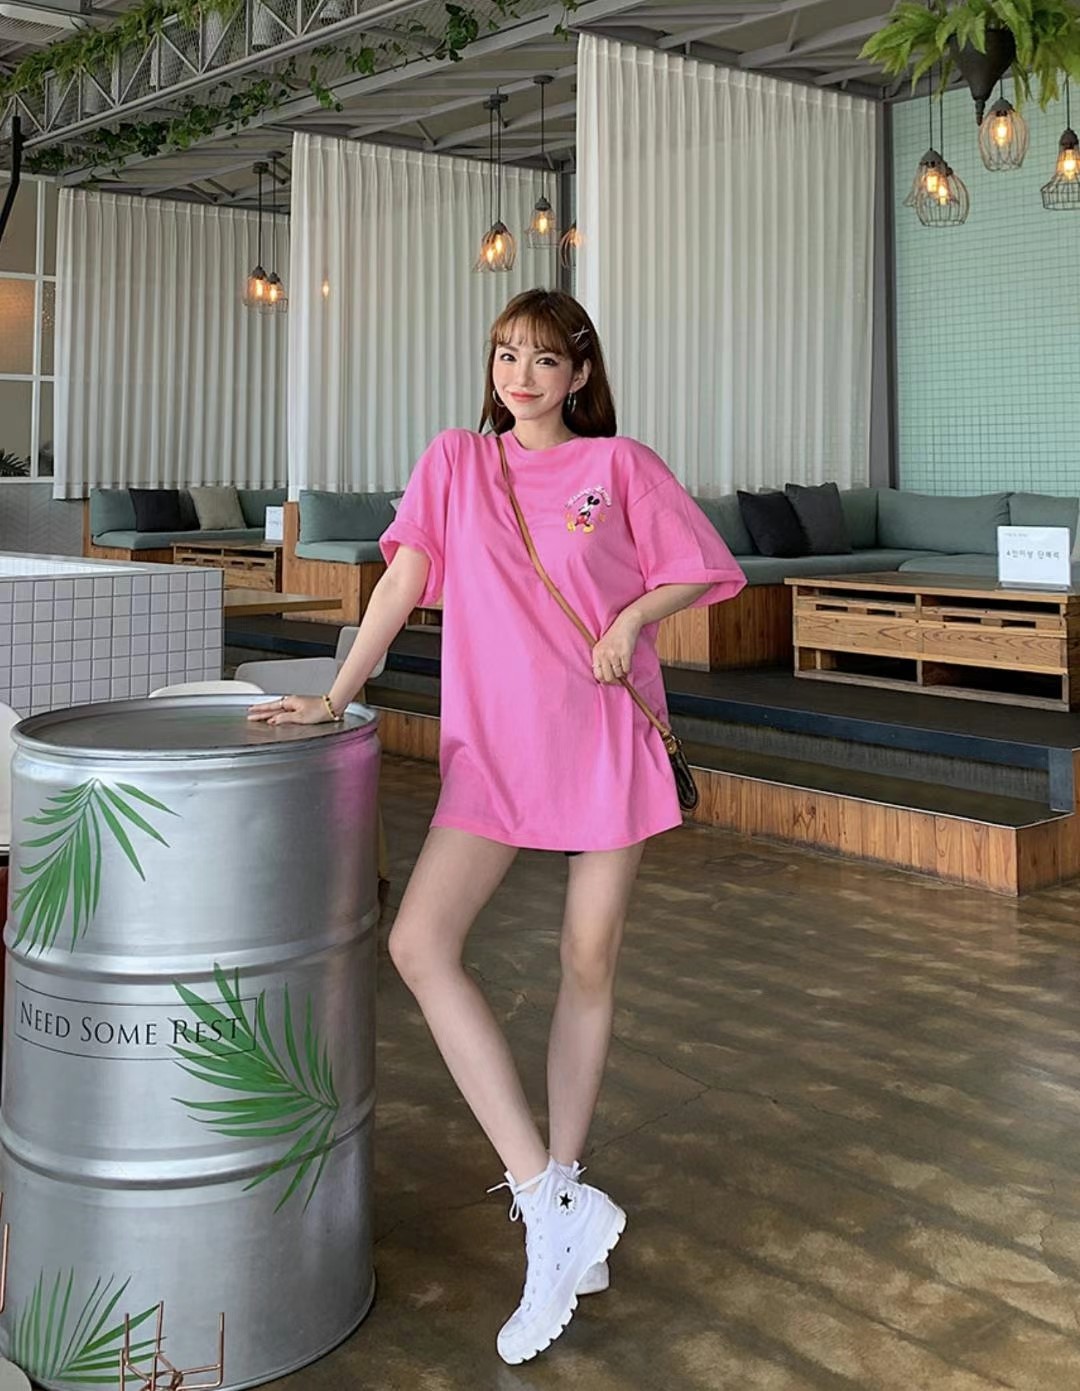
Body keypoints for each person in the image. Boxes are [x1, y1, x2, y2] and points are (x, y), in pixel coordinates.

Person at [249, 289, 746, 1364]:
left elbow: (700, 569)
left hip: (603, 733)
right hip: (496, 747)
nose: (520, 375)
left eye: (543, 359)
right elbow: (402, 583)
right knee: (420, 942)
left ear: (580, 374)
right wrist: (335, 694)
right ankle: (545, 1197)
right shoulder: (457, 463)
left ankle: (565, 1186)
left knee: (587, 959)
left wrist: (629, 618)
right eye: (506, 355)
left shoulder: (619, 466)